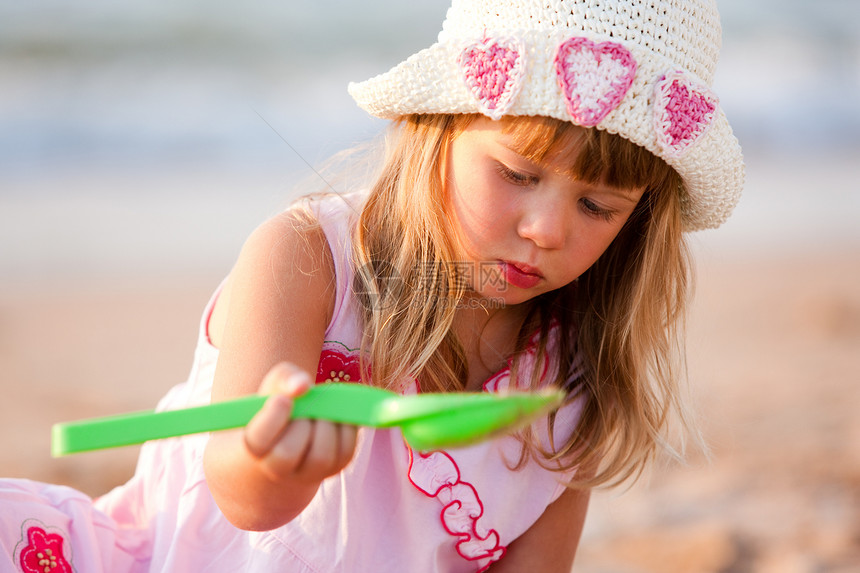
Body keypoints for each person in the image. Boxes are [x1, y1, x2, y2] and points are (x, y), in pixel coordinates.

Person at [1, 0, 743, 571]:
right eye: (517, 173)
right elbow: (239, 496)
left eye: (597, 206)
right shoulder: (309, 258)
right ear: (439, 128)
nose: (547, 228)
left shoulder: (570, 383)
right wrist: (275, 463)